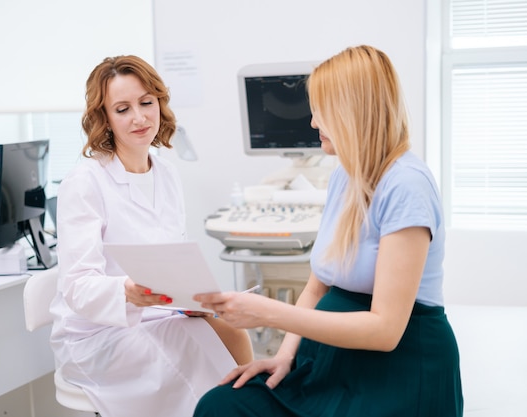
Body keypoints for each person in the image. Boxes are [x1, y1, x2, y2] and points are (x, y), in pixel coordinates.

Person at [193, 45, 464, 417]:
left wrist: (270, 313)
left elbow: (386, 331)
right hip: (330, 361)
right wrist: (284, 356)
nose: (313, 123)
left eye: (320, 111)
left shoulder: (406, 186)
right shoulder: (344, 175)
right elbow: (317, 286)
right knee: (221, 406)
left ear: (351, 112)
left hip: (398, 368)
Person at [49, 55, 253, 417]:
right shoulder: (84, 182)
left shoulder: (167, 174)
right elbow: (77, 286)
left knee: (233, 332)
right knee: (193, 349)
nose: (140, 117)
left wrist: (195, 297)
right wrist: (126, 292)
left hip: (161, 315)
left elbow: (174, 260)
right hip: (98, 336)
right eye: (123, 108)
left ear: (159, 102)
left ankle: (245, 408)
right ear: (105, 118)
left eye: (146, 102)